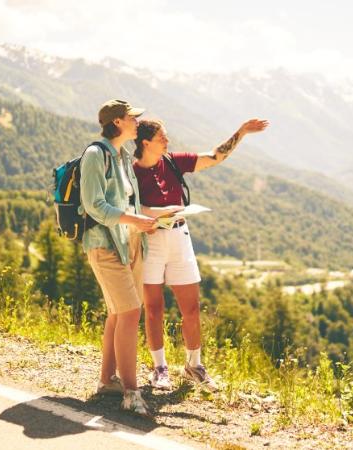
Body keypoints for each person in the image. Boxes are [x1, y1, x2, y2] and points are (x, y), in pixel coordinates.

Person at [133, 117, 269, 391]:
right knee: (154, 309)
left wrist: (240, 133)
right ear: (146, 142)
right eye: (162, 138)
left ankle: (193, 365)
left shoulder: (172, 161)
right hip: (151, 243)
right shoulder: (132, 172)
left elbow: (214, 157)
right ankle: (160, 369)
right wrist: (155, 214)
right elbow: (129, 209)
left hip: (180, 237)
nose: (167, 141)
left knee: (192, 309)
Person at [80, 99, 157, 415]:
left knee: (118, 312)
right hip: (105, 245)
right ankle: (131, 392)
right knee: (129, 312)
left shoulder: (123, 156)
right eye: (132, 117)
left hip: (130, 244)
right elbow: (94, 204)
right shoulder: (95, 155)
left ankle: (107, 381)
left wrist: (148, 221)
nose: (137, 121)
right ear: (116, 123)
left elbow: (129, 202)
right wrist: (133, 220)